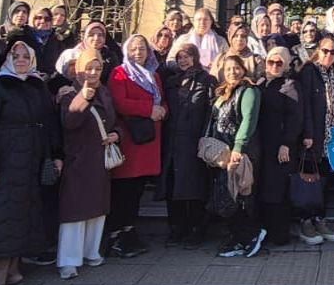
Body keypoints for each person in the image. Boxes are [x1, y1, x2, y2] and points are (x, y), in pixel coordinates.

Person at [0, 41, 61, 285]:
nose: (21, 60)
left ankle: (11, 268)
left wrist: (56, 154)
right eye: (16, 56)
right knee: (0, 215)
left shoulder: (36, 86)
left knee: (22, 214)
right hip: (5, 160)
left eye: (26, 56)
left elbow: (50, 123)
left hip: (31, 160)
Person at [56, 49, 119, 280]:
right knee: (75, 211)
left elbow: (114, 120)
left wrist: (117, 135)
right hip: (79, 158)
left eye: (98, 68)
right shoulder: (68, 93)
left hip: (100, 158)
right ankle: (68, 260)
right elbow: (70, 122)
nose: (93, 73)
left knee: (96, 209)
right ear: (79, 69)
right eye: (88, 68)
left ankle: (91, 252)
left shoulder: (106, 92)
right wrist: (84, 96)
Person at [106, 35, 166, 258]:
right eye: (134, 49)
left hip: (149, 138)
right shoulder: (120, 73)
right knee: (124, 189)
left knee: (137, 189)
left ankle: (129, 230)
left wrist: (162, 110)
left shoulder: (154, 75)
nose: (138, 52)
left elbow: (162, 100)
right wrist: (148, 109)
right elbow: (119, 102)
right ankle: (116, 234)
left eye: (142, 49)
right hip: (131, 139)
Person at [209, 55, 267, 258]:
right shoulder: (224, 92)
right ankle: (237, 237)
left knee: (241, 194)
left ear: (243, 69)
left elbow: (248, 120)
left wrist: (238, 148)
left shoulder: (248, 91)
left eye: (236, 68)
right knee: (227, 196)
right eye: (228, 69)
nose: (232, 72)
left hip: (241, 152)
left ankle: (250, 234)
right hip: (222, 152)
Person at [156, 44, 212, 248]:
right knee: (173, 187)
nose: (183, 60)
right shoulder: (171, 82)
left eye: (188, 56)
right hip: (172, 142)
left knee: (194, 188)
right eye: (180, 57)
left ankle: (196, 229)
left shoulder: (207, 80)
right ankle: (176, 229)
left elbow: (209, 112)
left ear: (195, 58)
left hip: (194, 140)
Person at [296, 36, 334, 245]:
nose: (328, 55)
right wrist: (307, 133)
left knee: (323, 179)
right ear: (318, 50)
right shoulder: (309, 71)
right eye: (325, 51)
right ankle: (306, 221)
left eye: (333, 52)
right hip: (313, 135)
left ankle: (320, 218)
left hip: (330, 136)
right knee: (310, 180)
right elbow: (305, 103)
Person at [256, 46, 303, 245]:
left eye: (279, 63)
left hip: (280, 146)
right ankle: (264, 231)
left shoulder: (290, 85)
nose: (274, 66)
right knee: (264, 189)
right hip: (261, 144)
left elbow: (295, 118)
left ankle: (279, 234)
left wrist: (287, 144)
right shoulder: (260, 83)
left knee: (277, 190)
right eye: (271, 62)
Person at [54, 20, 121, 87]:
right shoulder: (71, 54)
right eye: (91, 35)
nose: (96, 38)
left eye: (100, 35)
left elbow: (115, 81)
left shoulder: (110, 56)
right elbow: (60, 80)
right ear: (85, 36)